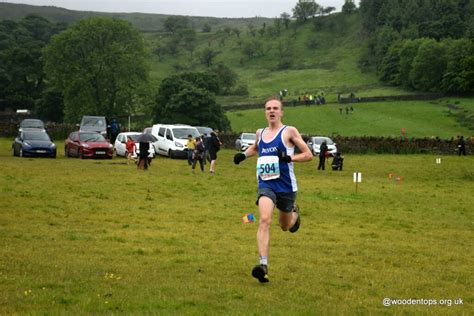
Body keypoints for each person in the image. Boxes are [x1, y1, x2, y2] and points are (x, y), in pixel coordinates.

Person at [233, 97, 312, 283]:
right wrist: (243, 155)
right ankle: (263, 265)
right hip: (266, 184)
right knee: (265, 219)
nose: (272, 111)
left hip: (285, 186)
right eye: (268, 108)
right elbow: (255, 147)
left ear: (281, 112)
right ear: (265, 112)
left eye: (275, 108)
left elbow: (308, 155)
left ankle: (294, 216)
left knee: (285, 226)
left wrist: (288, 158)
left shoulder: (289, 131)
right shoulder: (260, 133)